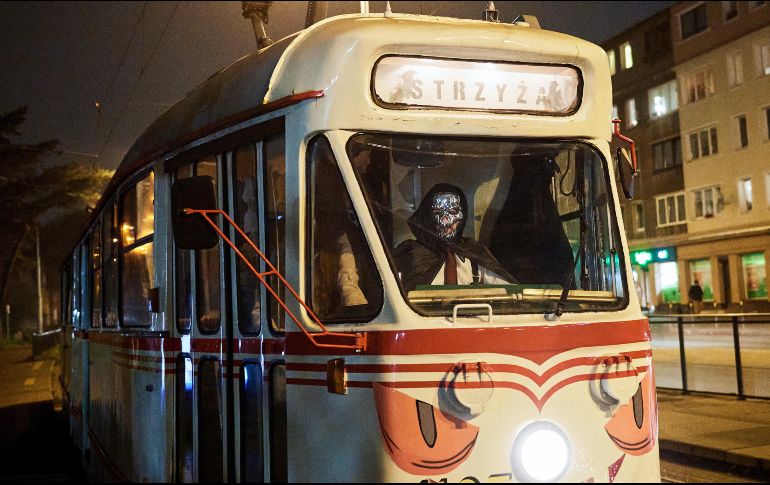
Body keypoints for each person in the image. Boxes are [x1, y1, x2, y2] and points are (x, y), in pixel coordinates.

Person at [393, 183, 515, 291]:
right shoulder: (410, 256)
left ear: (462, 215)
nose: (446, 220)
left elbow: (510, 291)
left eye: (453, 212)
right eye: (438, 212)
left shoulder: (473, 254)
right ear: (427, 215)